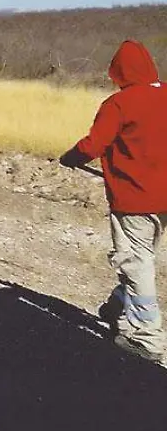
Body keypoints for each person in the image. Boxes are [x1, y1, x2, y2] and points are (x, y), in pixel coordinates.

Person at [59, 40, 167, 366]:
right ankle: (119, 306)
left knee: (136, 263)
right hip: (163, 200)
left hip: (135, 198)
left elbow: (95, 143)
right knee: (140, 256)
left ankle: (149, 337)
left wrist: (72, 156)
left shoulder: (120, 104)